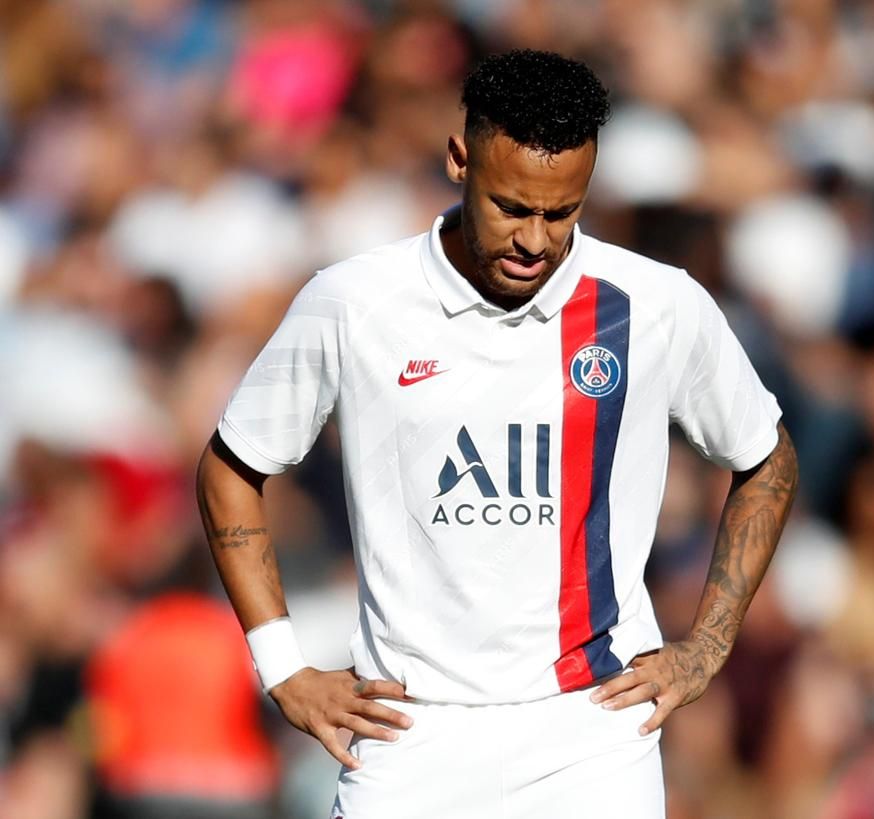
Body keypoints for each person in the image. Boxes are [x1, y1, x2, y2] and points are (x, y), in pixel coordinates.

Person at [195, 49, 797, 819]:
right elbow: (231, 467)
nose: (535, 240)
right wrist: (283, 667)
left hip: (592, 734)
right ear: (459, 160)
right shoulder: (353, 303)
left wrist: (706, 646)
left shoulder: (655, 304)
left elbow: (767, 458)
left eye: (562, 212)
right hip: (410, 733)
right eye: (511, 207)